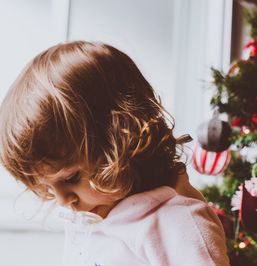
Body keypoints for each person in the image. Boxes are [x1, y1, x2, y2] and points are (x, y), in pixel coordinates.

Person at [0, 41, 229, 266]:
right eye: (48, 187)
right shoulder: (91, 219)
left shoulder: (177, 225)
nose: (63, 201)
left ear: (124, 140)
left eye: (71, 178)